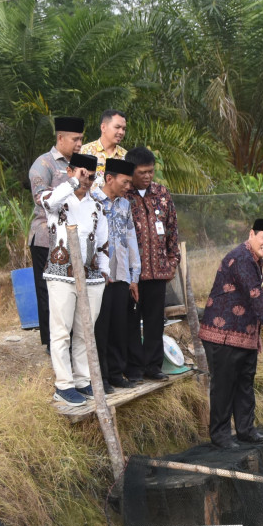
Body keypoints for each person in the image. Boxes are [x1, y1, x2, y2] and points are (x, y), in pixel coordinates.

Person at [198, 218, 263, 448]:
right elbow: (255, 296)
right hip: (223, 334)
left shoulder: (254, 260)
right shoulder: (241, 258)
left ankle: (246, 430)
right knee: (224, 384)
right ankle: (220, 435)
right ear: (252, 234)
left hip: (245, 335)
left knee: (244, 383)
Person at [40, 152, 107, 405]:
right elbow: (47, 203)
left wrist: (104, 272)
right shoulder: (57, 200)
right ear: (70, 171)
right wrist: (72, 183)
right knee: (61, 331)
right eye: (82, 174)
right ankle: (63, 385)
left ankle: (82, 380)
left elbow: (103, 243)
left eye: (90, 176)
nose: (86, 180)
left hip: (91, 276)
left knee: (84, 331)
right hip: (60, 274)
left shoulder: (97, 206)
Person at [28, 115, 85, 351]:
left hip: (73, 238)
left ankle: (69, 340)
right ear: (60, 138)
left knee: (70, 291)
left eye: (82, 139)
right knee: (48, 292)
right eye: (75, 139)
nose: (80, 144)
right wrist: (71, 183)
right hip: (46, 238)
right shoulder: (44, 164)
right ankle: (52, 343)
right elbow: (43, 199)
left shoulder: (80, 163)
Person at [125, 146, 179, 382]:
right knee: (131, 323)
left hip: (159, 272)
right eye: (142, 172)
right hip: (132, 276)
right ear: (131, 171)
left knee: (156, 321)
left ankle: (154, 366)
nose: (147, 176)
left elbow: (172, 230)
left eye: (151, 172)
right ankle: (135, 368)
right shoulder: (123, 195)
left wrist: (173, 261)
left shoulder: (162, 193)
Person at [92, 157, 140, 393]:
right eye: (125, 182)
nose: (128, 186)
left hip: (121, 274)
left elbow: (131, 240)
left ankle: (115, 373)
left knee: (119, 326)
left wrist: (134, 276)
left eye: (130, 183)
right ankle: (100, 377)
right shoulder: (92, 201)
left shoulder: (125, 205)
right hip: (99, 276)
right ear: (109, 178)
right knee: (101, 327)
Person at [78, 109, 127, 187]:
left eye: (124, 129)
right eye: (117, 127)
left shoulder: (126, 157)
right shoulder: (84, 152)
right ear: (103, 127)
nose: (121, 132)